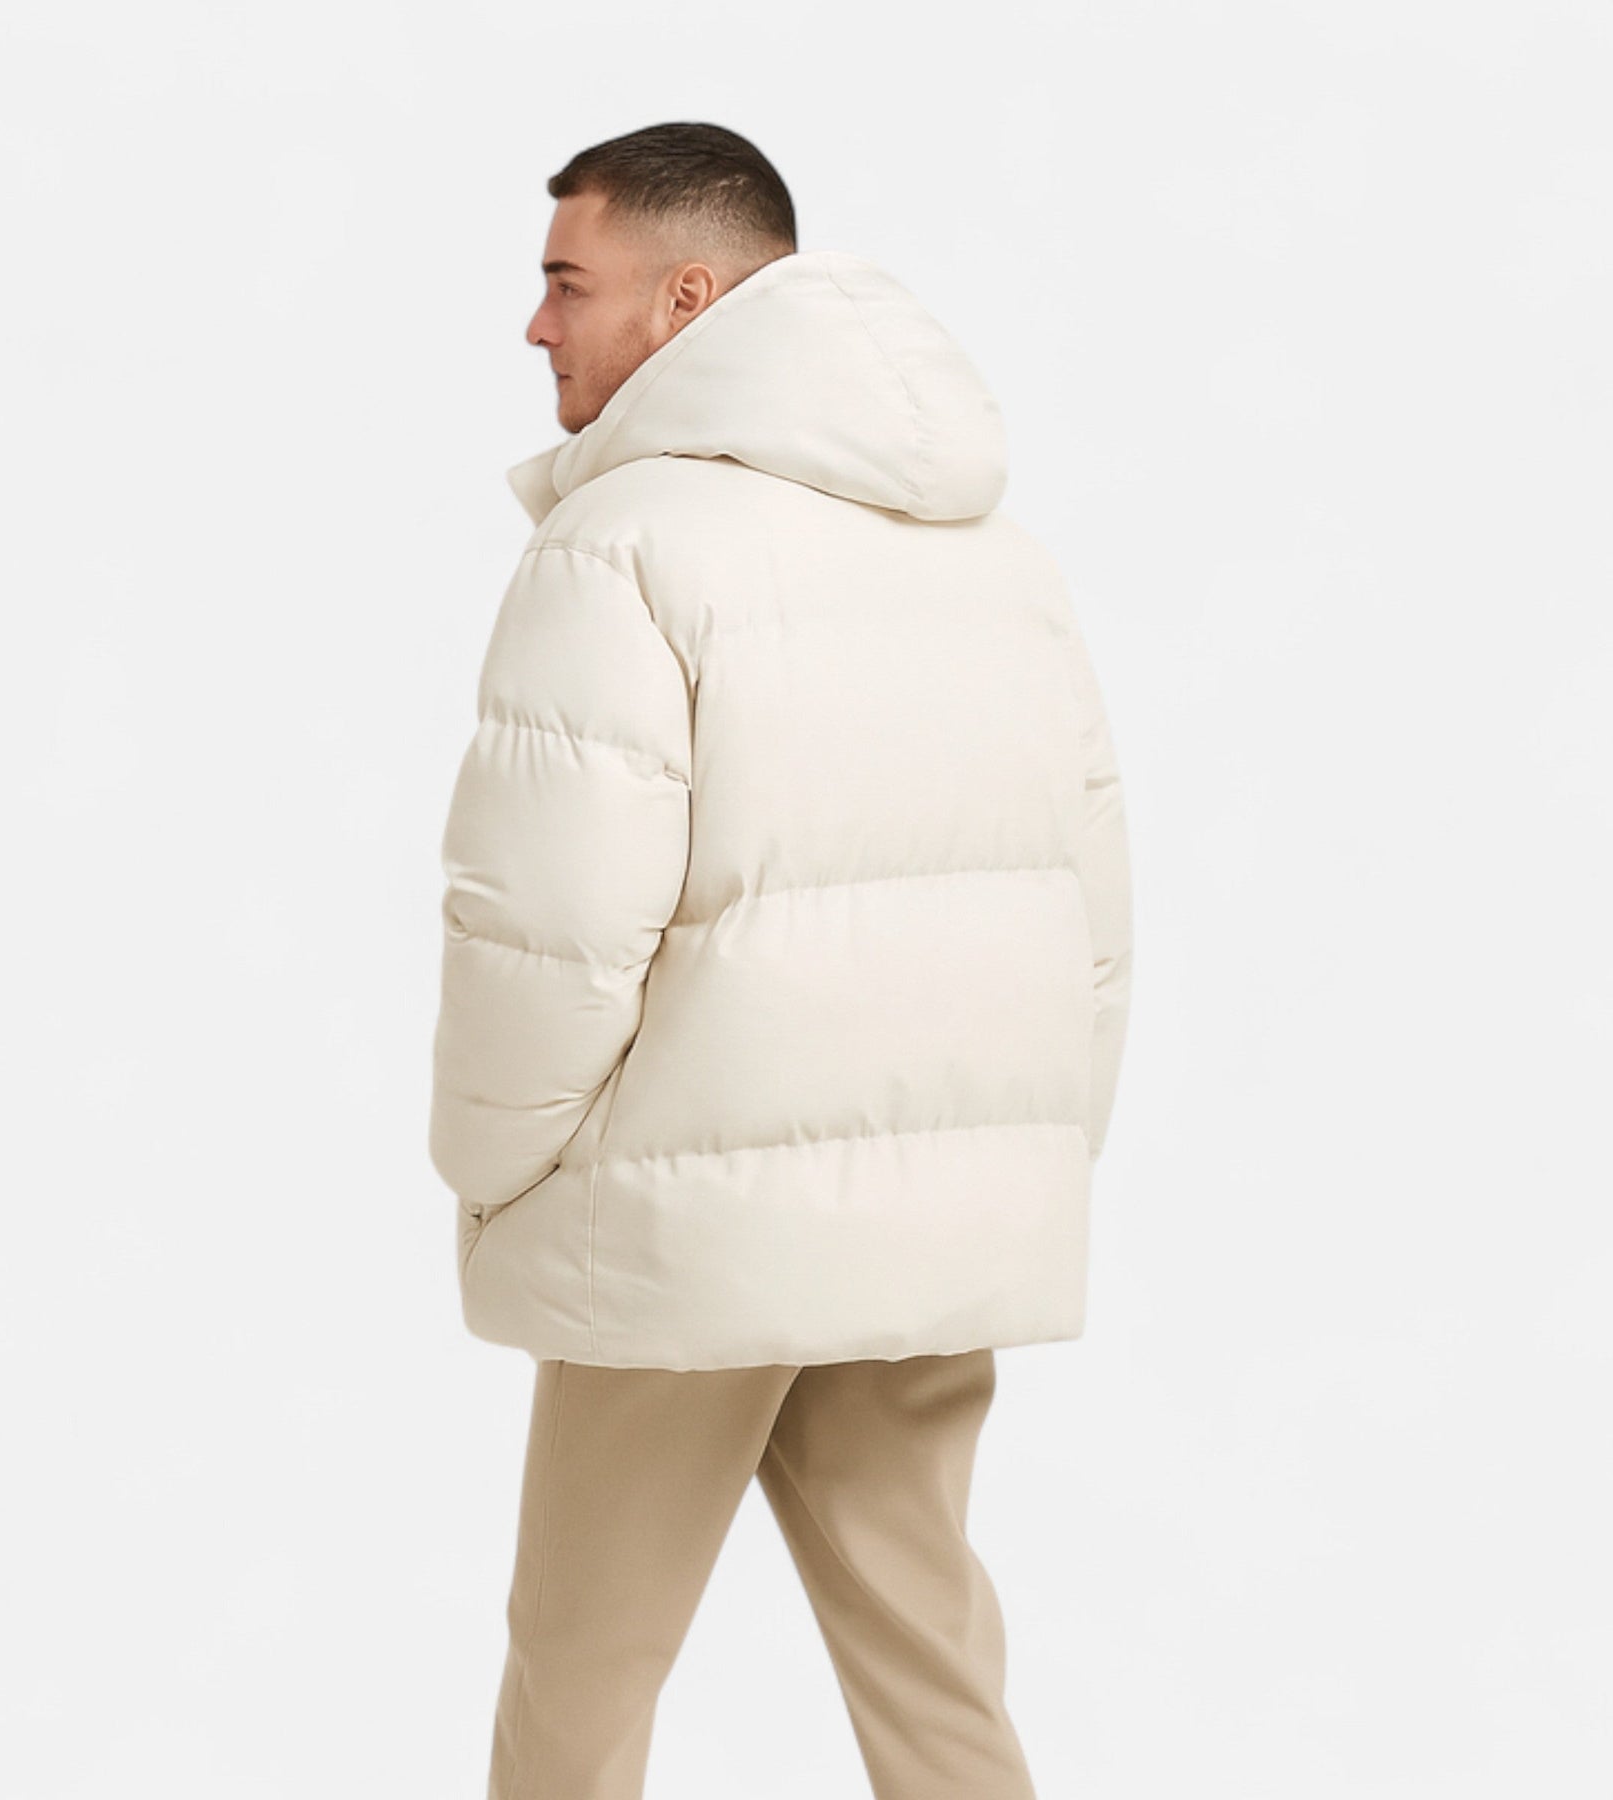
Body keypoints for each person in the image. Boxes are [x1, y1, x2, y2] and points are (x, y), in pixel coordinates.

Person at [428, 120, 1134, 1800]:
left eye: (566, 282)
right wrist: (1021, 1156)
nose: (535, 324)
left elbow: (553, 926)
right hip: (933, 1211)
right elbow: (1092, 910)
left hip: (679, 1226)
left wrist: (492, 1166)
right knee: (929, 1657)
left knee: (580, 1673)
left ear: (687, 300)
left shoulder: (624, 543)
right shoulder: (997, 557)